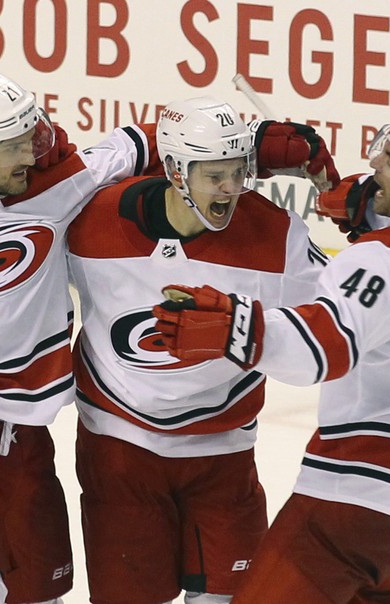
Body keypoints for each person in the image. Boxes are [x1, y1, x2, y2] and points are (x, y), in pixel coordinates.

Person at [0, 70, 338, 604]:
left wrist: (254, 145)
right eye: (18, 144)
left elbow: (144, 141)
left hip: (37, 432)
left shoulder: (69, 187)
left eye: (34, 134)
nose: (37, 152)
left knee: (41, 595)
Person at [152, 104, 390, 603]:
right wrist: (370, 203)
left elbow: (316, 349)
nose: (377, 160)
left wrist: (234, 327)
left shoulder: (384, 263)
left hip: (366, 500)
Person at [66, 96, 337, 604]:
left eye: (239, 172)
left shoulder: (276, 235)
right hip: (120, 449)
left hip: (223, 455)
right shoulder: (89, 221)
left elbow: (342, 316)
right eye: (215, 175)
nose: (231, 190)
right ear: (173, 170)